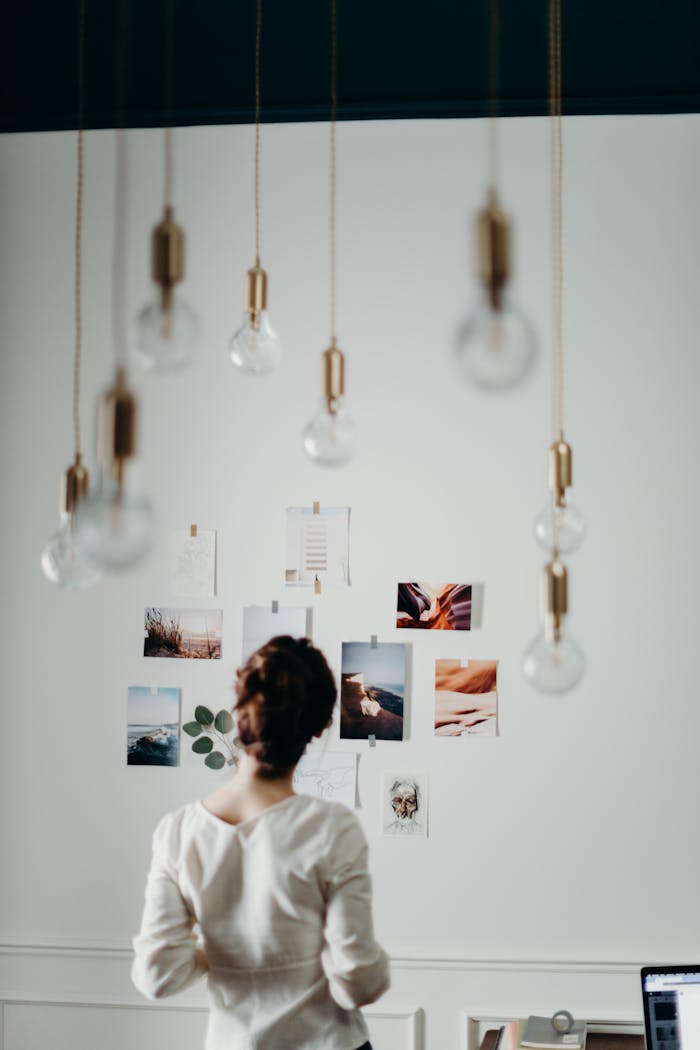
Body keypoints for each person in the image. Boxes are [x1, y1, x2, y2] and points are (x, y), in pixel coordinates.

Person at [132, 635, 390, 1050]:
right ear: (320, 726)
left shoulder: (178, 831)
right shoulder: (331, 828)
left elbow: (157, 975)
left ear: (240, 712)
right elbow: (357, 983)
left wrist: (214, 949)